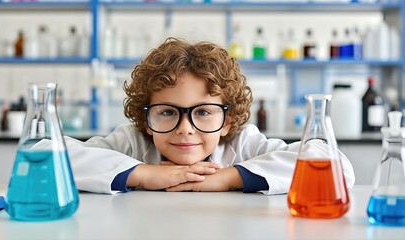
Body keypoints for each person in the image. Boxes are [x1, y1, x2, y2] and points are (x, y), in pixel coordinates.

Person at [62, 37, 355, 194]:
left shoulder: (243, 144)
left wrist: (230, 178)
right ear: (147, 119)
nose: (185, 129)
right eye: (167, 112)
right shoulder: (132, 143)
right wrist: (145, 174)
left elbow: (339, 167)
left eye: (203, 112)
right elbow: (46, 153)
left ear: (227, 121)